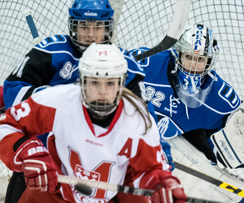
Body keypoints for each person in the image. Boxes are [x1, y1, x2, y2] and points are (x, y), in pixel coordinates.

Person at [2, 1, 167, 202]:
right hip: (44, 154)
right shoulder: (51, 51)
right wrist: (55, 100)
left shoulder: (122, 65)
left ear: (108, 28)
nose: (90, 33)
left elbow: (143, 116)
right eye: (84, 26)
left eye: (97, 27)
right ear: (73, 26)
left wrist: (161, 156)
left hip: (100, 160)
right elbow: (12, 88)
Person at [128, 24, 243, 179]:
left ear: (210, 61)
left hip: (183, 140)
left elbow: (232, 136)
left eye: (200, 59)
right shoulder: (147, 62)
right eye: (189, 57)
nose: (193, 65)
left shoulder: (221, 98)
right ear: (178, 54)